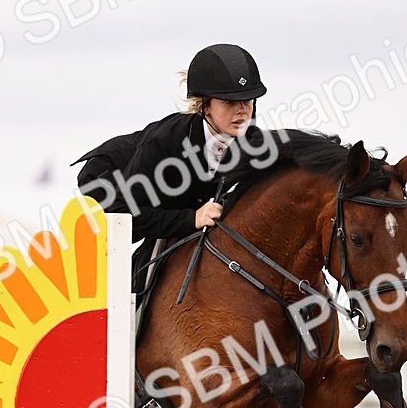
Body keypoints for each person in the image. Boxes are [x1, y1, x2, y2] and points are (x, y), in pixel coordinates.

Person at [74, 44, 267, 286]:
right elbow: (125, 214)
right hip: (111, 187)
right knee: (125, 253)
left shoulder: (251, 142)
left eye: (247, 101)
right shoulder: (166, 144)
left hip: (175, 196)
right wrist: (190, 219)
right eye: (229, 102)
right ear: (205, 106)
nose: (241, 111)